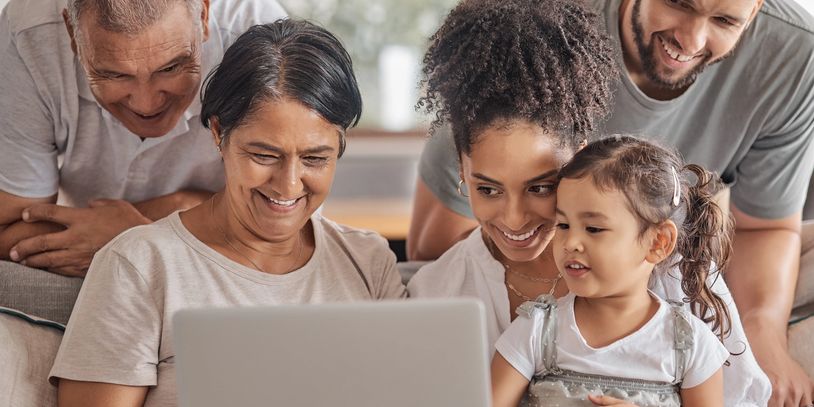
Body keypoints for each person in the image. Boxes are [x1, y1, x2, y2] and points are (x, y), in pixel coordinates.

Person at [408, 0, 814, 403]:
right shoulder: (442, 289)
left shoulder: (671, 274)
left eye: (542, 186)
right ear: (460, 169)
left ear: (579, 158)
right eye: (488, 189)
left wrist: (766, 329)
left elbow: (742, 395)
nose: (514, 219)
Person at [48, 20, 408, 406]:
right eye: (264, 155)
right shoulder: (138, 265)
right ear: (219, 133)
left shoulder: (367, 262)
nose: (288, 185)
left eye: (315, 159)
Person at [0, 0, 285, 277]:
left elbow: (280, 231)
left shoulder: (269, 50)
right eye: (114, 74)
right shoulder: (26, 34)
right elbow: (10, 229)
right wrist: (197, 215)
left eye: (171, 68)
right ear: (73, 34)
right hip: (77, 267)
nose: (146, 105)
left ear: (203, 15)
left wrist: (135, 232)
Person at [492, 136, 732, 407]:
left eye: (593, 229)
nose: (570, 243)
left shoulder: (690, 345)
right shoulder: (536, 330)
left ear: (658, 242)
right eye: (563, 225)